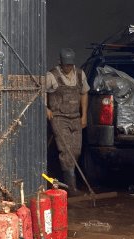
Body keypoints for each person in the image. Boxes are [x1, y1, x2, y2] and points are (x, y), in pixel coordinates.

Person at [46, 48, 90, 195]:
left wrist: (84, 116)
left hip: (75, 117)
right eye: (65, 65)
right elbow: (42, 92)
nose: (68, 68)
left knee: (76, 150)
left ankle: (68, 184)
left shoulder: (80, 74)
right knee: (66, 151)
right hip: (59, 117)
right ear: (60, 63)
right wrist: (46, 108)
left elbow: (84, 94)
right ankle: (72, 188)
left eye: (70, 65)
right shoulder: (51, 75)